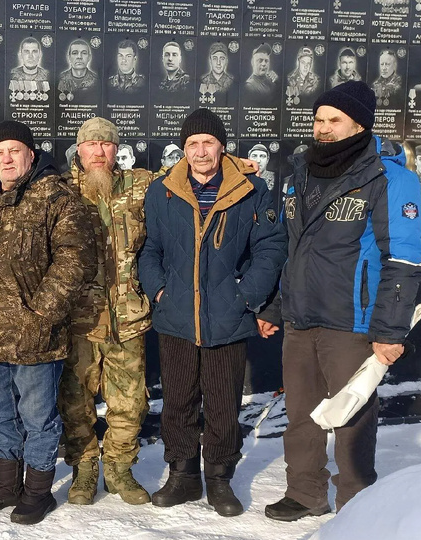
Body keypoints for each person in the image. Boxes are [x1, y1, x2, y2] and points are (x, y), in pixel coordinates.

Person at [259, 80, 421, 520]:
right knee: (300, 415)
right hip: (301, 319)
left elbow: (404, 260)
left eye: (334, 120)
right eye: (319, 119)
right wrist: (278, 306)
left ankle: (357, 504)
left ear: (359, 123)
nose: (323, 128)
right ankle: (305, 491)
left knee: (351, 417)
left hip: (353, 321)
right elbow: (292, 249)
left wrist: (390, 331)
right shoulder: (300, 175)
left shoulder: (390, 178)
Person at [137, 108, 286, 518]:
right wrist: (160, 290)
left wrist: (246, 296)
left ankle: (220, 478)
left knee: (222, 401)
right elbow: (150, 249)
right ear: (183, 150)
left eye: (208, 143)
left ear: (222, 147)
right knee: (179, 400)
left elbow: (271, 247)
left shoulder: (251, 190)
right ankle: (183, 475)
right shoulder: (162, 191)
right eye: (192, 144)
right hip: (177, 317)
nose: (200, 151)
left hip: (228, 316)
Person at [0, 120, 95, 525]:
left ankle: (38, 492)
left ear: (30, 156)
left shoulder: (55, 196)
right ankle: (6, 485)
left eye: (14, 151)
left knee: (39, 419)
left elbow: (75, 259)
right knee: (0, 416)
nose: (6, 158)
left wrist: (41, 313)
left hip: (36, 335)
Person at [59, 117, 155, 506]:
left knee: (130, 401)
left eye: (107, 145)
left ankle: (118, 468)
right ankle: (84, 469)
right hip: (79, 319)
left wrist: (238, 164)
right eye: (91, 145)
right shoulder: (60, 190)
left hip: (127, 317)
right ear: (78, 150)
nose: (99, 152)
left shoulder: (141, 186)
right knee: (75, 399)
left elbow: (194, 167)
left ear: (117, 150)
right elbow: (10, 187)